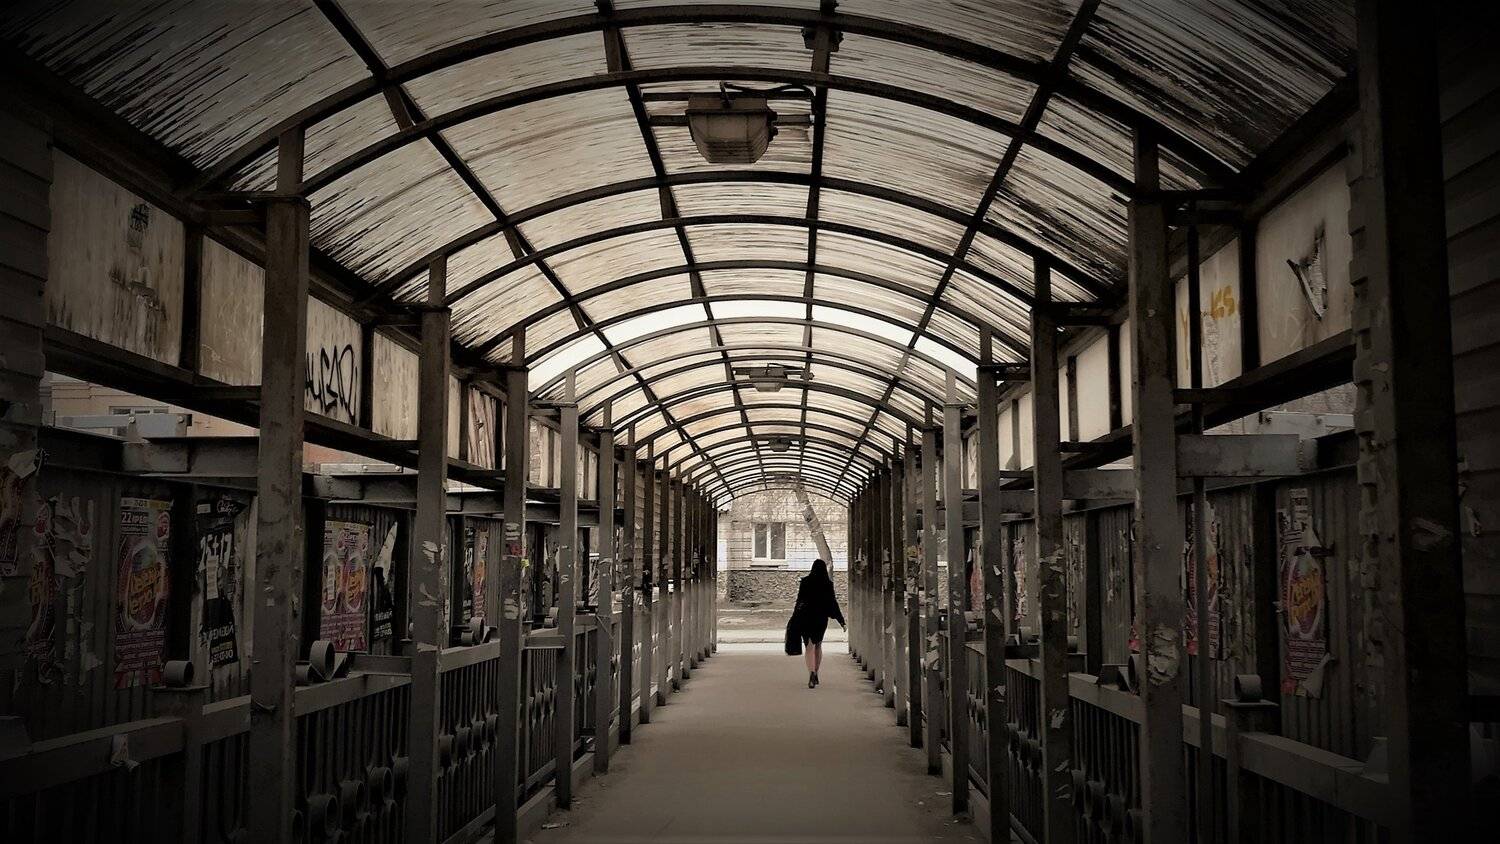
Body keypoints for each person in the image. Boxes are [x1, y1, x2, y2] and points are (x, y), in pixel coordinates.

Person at [791, 559, 845, 688]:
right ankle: (816, 672)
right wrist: (841, 621)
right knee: (818, 645)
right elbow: (833, 603)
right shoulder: (827, 584)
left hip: (806, 617)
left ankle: (811, 673)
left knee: (809, 646)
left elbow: (799, 600)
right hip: (821, 618)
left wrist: (795, 617)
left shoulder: (805, 582)